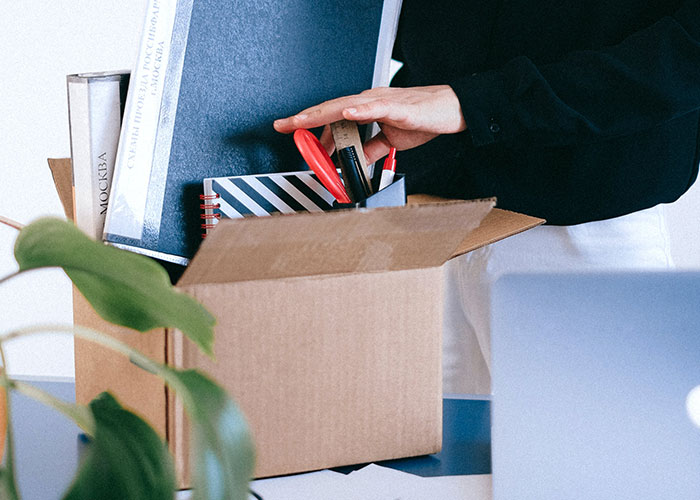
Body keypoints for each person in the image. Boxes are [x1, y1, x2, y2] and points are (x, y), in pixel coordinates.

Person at [274, 0, 700, 393]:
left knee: (585, 450)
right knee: (391, 447)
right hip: (420, 217)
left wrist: (476, 103)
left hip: (576, 235)